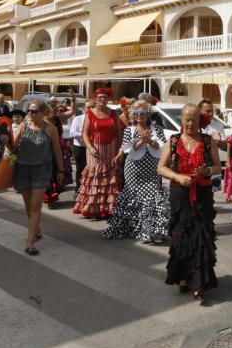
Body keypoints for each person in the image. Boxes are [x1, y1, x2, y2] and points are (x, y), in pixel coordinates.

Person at [159, 104, 220, 303]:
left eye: (193, 119)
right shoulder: (174, 141)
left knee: (201, 235)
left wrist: (207, 171)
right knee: (182, 235)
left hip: (202, 194)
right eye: (186, 119)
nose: (189, 123)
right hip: (180, 194)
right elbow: (161, 168)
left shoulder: (208, 140)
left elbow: (218, 167)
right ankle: (183, 276)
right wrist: (177, 176)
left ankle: (199, 283)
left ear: (199, 121)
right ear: (181, 120)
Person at [103, 101, 168, 243]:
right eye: (137, 114)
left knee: (152, 197)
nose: (139, 116)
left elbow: (161, 146)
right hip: (133, 170)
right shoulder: (129, 130)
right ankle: (134, 228)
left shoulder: (157, 129)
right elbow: (127, 148)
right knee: (134, 198)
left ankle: (151, 231)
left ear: (148, 115)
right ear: (134, 115)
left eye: (142, 113)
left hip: (151, 169)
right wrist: (141, 141)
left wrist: (150, 141)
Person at [12, 100, 64, 256]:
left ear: (43, 113)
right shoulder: (23, 126)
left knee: (35, 206)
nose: (29, 113)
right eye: (28, 111)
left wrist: (60, 171)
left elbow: (57, 151)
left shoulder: (51, 129)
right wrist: (4, 141)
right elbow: (13, 147)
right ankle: (37, 230)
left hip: (42, 170)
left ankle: (30, 242)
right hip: (23, 169)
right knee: (29, 206)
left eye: (33, 111)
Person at [73, 89, 123, 220]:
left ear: (108, 99)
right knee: (95, 177)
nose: (102, 100)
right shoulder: (90, 113)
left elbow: (118, 132)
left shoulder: (113, 113)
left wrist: (119, 149)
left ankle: (108, 208)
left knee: (109, 177)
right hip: (95, 149)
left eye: (105, 97)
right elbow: (85, 133)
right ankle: (92, 208)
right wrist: (89, 147)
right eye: (100, 97)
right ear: (95, 99)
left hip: (111, 149)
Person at [44, 95, 76, 208]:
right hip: (44, 151)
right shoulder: (42, 118)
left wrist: (73, 100)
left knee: (56, 173)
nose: (54, 107)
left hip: (58, 149)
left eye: (55, 105)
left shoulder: (58, 118)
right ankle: (48, 198)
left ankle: (50, 198)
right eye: (52, 105)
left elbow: (72, 111)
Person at [69, 100, 94, 191]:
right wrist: (85, 134)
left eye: (93, 107)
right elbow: (72, 133)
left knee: (92, 169)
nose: (91, 109)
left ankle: (89, 189)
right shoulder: (78, 119)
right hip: (80, 147)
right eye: (89, 107)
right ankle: (78, 189)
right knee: (80, 169)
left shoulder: (97, 119)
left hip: (92, 147)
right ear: (84, 108)